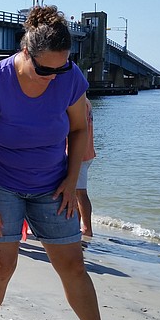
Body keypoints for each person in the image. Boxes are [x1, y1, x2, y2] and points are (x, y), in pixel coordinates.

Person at [0, 5, 127, 320]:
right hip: (0, 181)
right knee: (3, 265)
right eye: (45, 69)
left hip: (52, 183)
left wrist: (71, 182)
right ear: (25, 53)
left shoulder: (69, 79)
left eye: (61, 67)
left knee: (73, 265)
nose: (54, 76)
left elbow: (80, 131)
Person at [75, 98, 96, 237]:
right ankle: (76, 226)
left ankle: (87, 229)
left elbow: (75, 130)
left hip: (79, 155)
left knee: (80, 193)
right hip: (86, 152)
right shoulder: (86, 101)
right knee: (76, 193)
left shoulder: (79, 102)